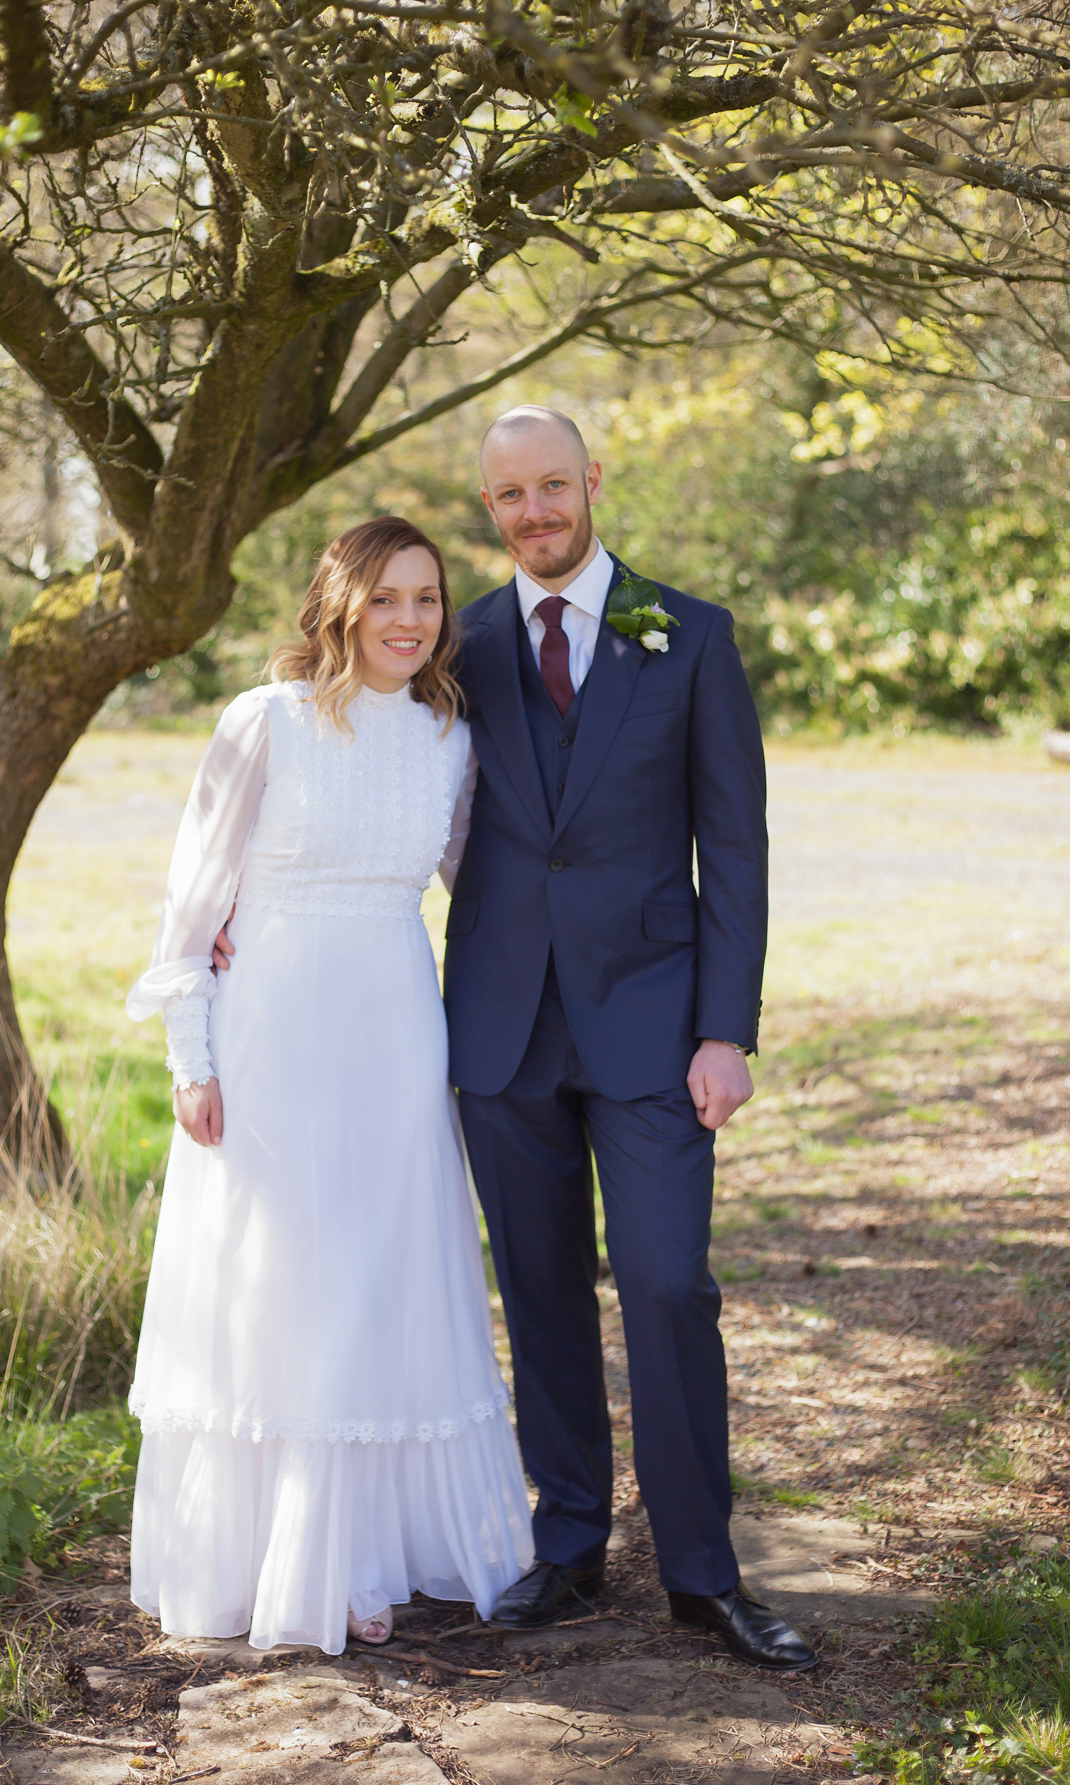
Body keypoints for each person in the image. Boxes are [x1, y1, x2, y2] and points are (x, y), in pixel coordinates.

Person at [444, 404, 816, 1670]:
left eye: (554, 487)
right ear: (487, 508)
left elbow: (740, 852)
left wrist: (728, 1031)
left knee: (666, 1286)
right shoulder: (464, 644)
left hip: (658, 1030)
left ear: (593, 481)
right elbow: (367, 778)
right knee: (539, 1294)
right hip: (501, 1033)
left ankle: (704, 1576)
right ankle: (569, 1546)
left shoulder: (691, 636)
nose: (536, 514)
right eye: (511, 498)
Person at [126, 516, 533, 1657]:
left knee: (378, 1276)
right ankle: (286, 1559)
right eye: (389, 597)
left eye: (429, 599)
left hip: (397, 1029)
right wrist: (190, 1057)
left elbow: (480, 881)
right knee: (286, 1276)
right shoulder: (263, 723)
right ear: (341, 603)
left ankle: (367, 1549)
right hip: (274, 1032)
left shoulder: (450, 738)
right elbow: (190, 904)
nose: (411, 620)